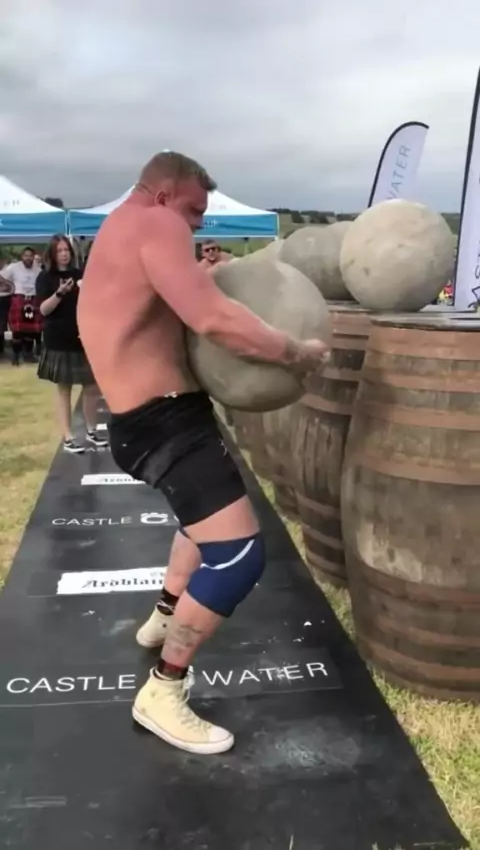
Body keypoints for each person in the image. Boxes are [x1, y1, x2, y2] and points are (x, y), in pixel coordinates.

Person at [77, 151, 330, 756]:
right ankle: (164, 690)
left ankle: (165, 614)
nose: (196, 225)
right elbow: (213, 319)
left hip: (147, 418)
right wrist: (295, 352)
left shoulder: (121, 227)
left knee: (203, 522)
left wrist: (204, 272)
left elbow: (164, 302)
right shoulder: (157, 222)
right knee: (238, 556)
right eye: (193, 211)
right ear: (164, 194)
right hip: (162, 423)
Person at [36, 235, 108, 453]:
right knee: (64, 388)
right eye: (59, 251)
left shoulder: (80, 274)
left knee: (92, 386)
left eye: (66, 250)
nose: (64, 254)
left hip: (83, 336)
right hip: (58, 338)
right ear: (52, 254)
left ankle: (91, 431)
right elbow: (44, 310)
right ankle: (68, 437)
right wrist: (60, 293)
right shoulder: (45, 277)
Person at [0, 247, 42, 365]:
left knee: (30, 331)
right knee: (17, 331)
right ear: (21, 257)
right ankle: (16, 355)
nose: (28, 258)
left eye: (30, 256)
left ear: (33, 257)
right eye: (26, 255)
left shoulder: (38, 270)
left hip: (33, 300)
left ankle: (28, 354)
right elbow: (1, 277)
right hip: (18, 299)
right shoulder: (13, 267)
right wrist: (10, 287)